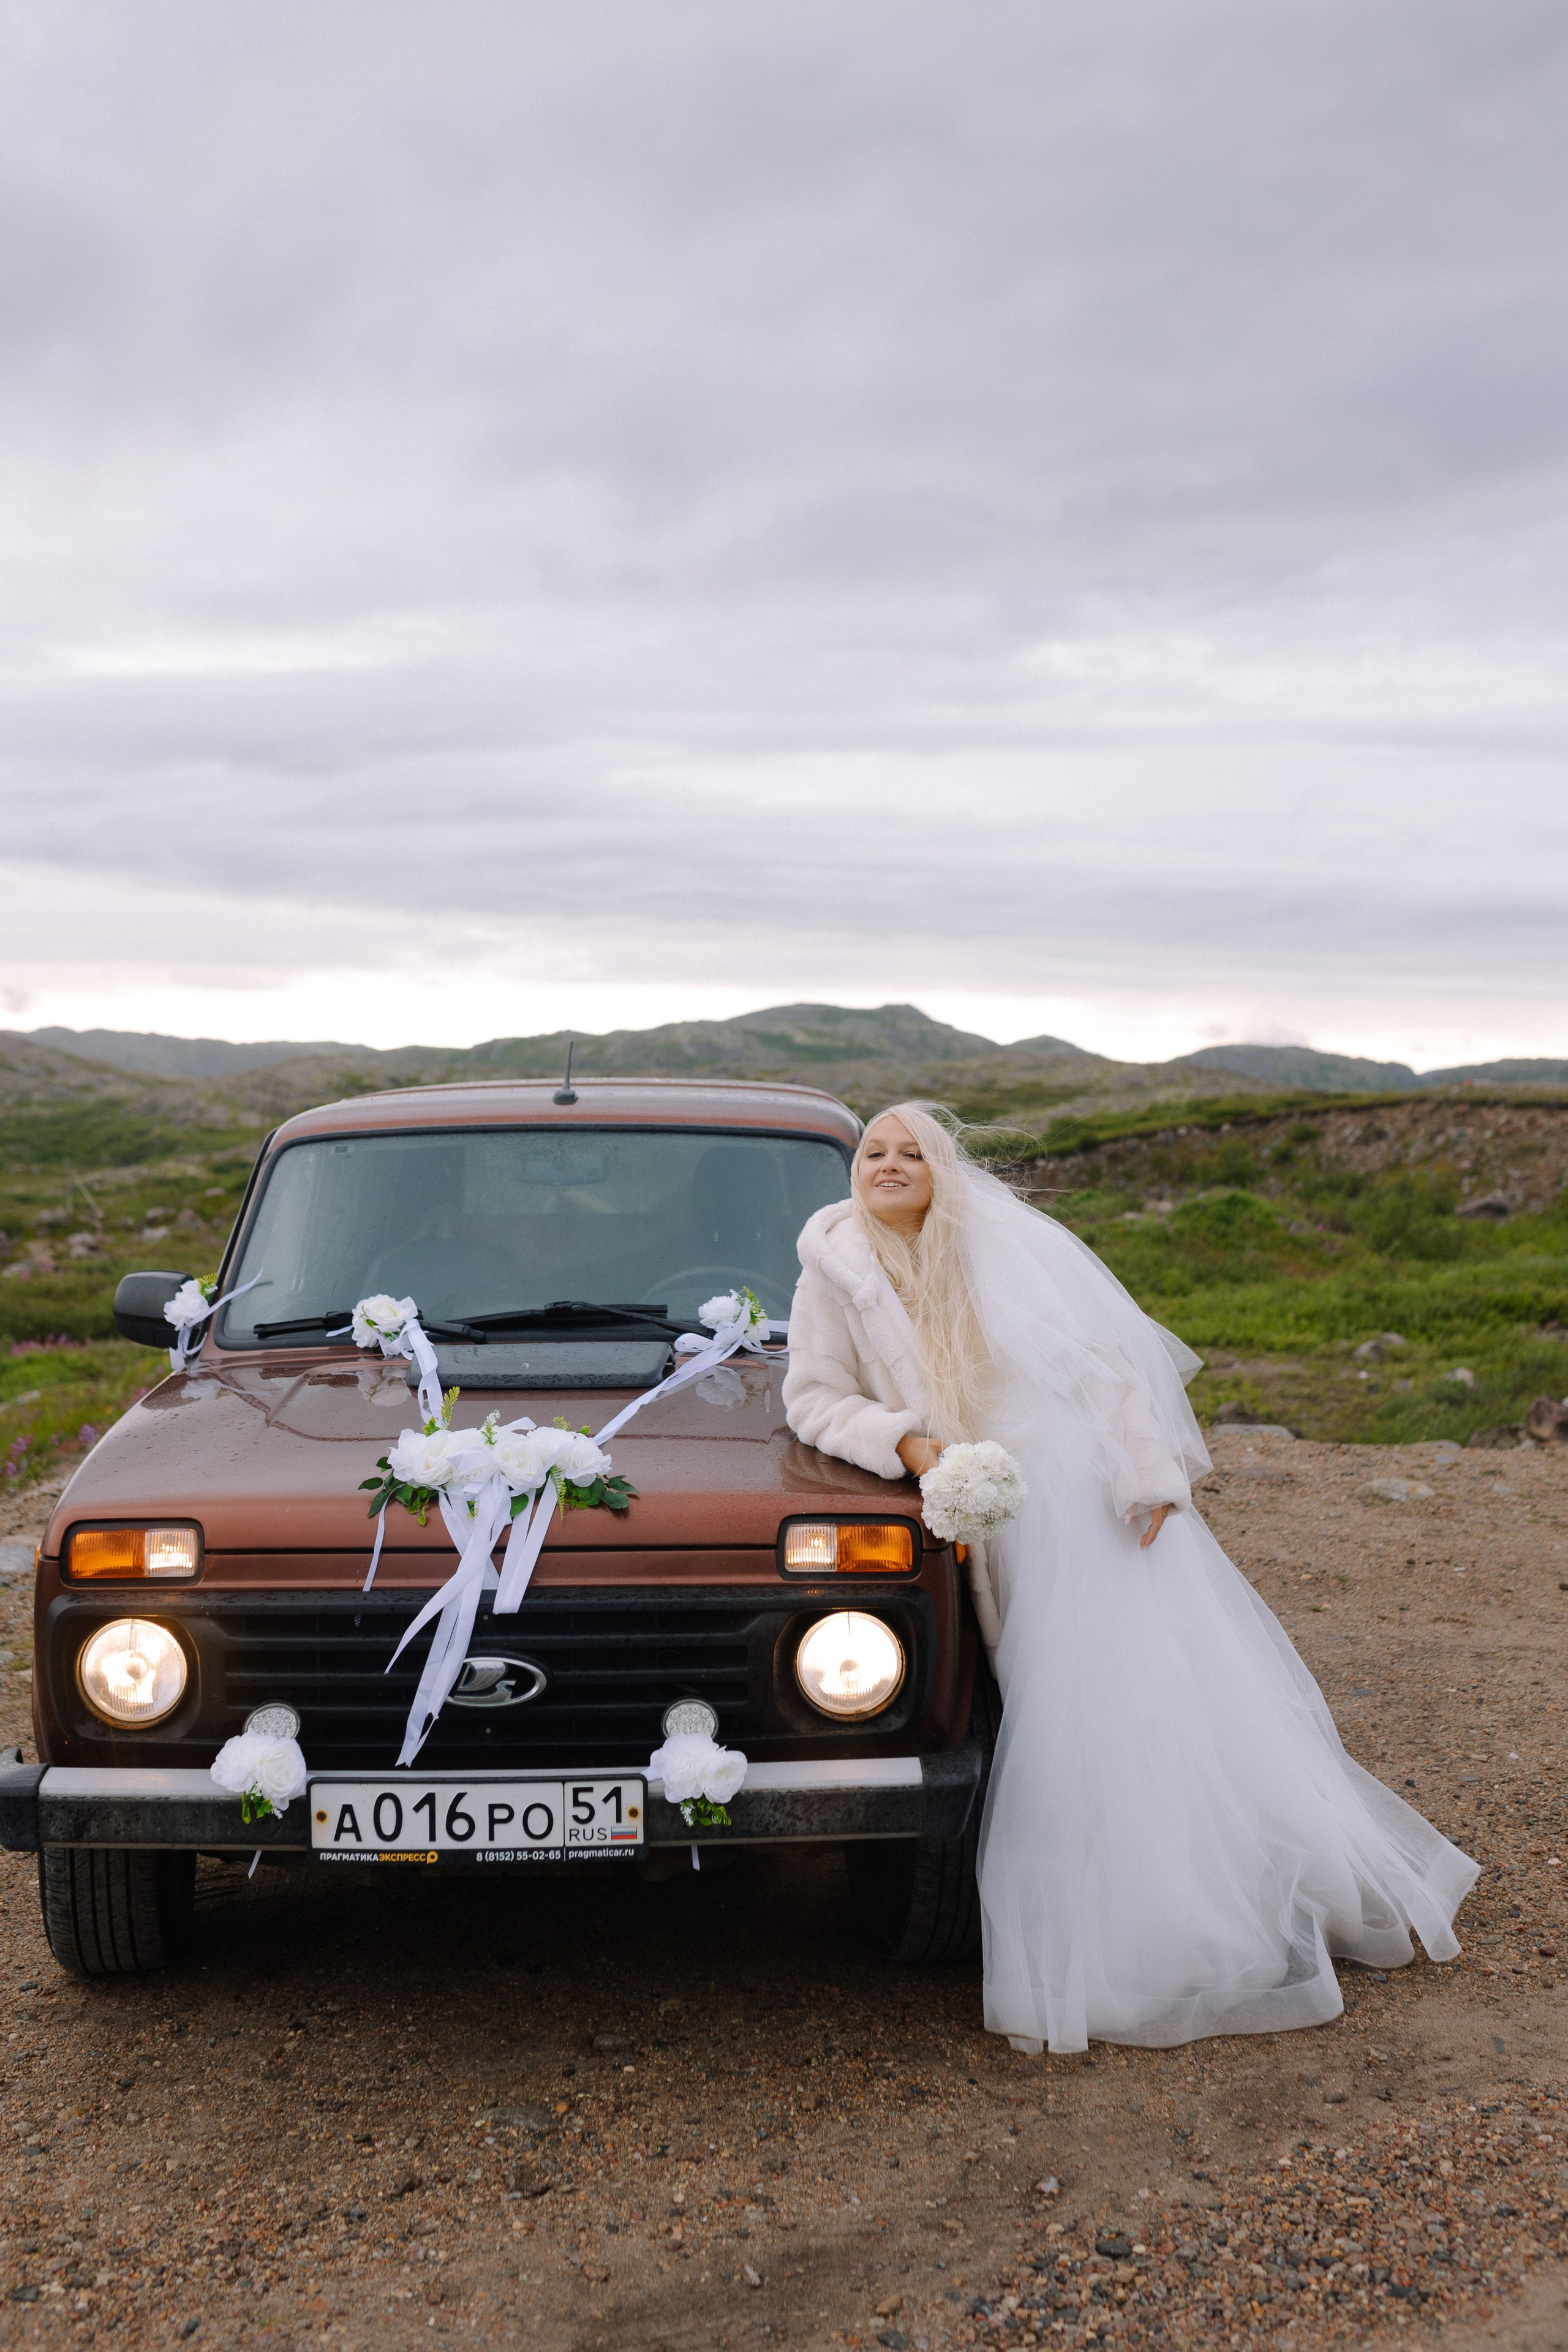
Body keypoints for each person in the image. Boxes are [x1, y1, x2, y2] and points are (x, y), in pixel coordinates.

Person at [783, 1102, 1477, 2054]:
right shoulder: (832, 1267)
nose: (890, 1165)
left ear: (944, 1173)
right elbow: (815, 1398)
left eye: (914, 1154)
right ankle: (1135, 1906)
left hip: (1071, 1486)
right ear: (855, 1169)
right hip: (985, 1492)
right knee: (1051, 1698)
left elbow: (1104, 1365)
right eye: (875, 1151)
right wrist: (907, 1446)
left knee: (1130, 1689)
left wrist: (1146, 1473)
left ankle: (1182, 1921)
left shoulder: (990, 1246)